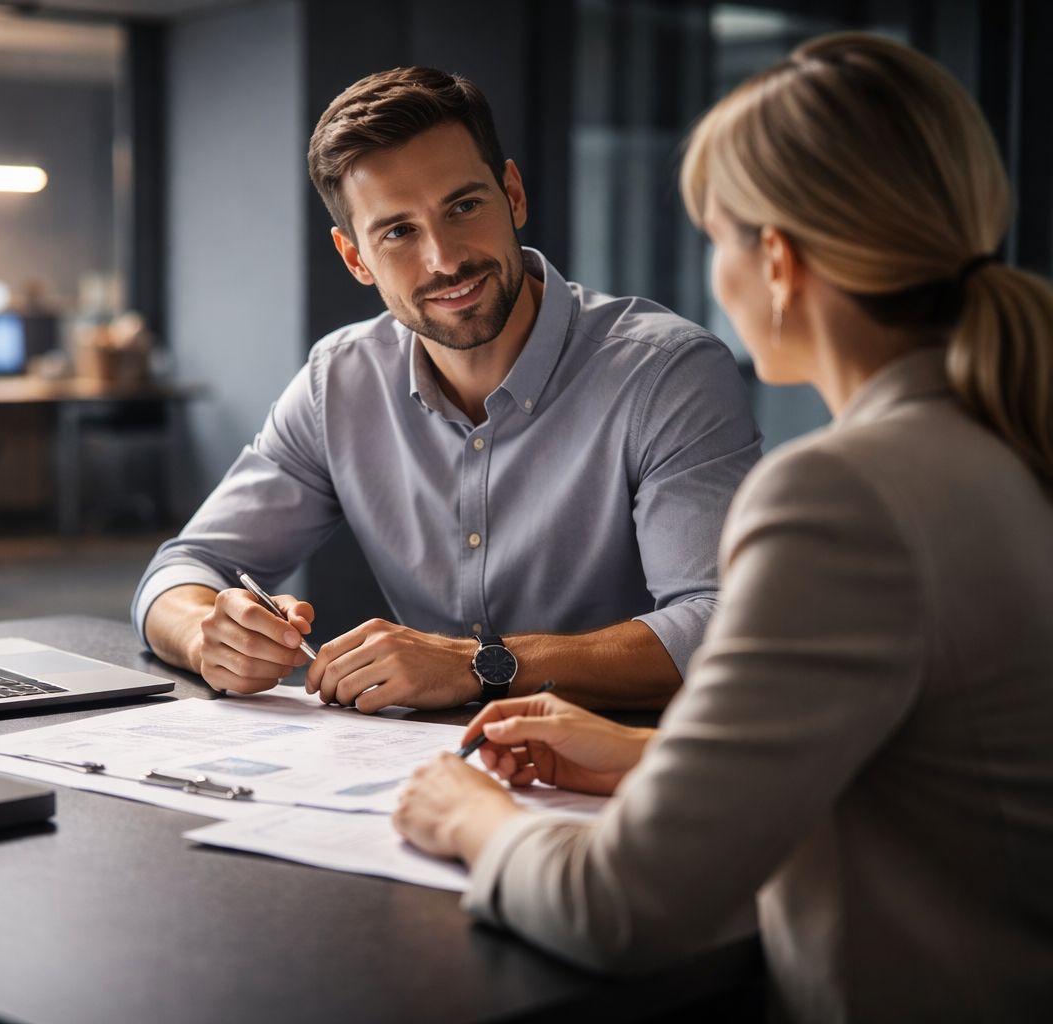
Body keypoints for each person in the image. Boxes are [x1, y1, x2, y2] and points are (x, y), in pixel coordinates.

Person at [392, 33, 1053, 1022]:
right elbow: (928, 770)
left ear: (776, 261)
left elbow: (620, 907)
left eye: (716, 237)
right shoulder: (1000, 440)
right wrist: (645, 756)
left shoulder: (841, 498)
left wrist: (472, 817)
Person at [133, 68, 761, 713]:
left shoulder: (666, 372)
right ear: (355, 258)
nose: (444, 259)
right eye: (398, 231)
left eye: (464, 206)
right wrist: (212, 635)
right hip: (422, 772)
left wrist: (482, 665)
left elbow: (722, 625)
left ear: (512, 194)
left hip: (629, 770)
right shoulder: (339, 380)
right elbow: (183, 570)